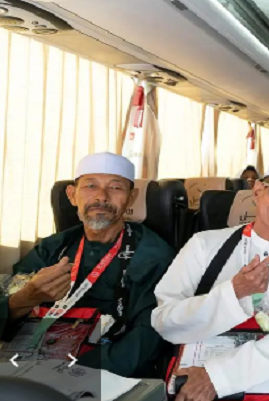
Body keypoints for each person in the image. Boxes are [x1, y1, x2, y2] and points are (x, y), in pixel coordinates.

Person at [151, 155, 269, 400]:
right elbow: (165, 321)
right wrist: (233, 293)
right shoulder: (203, 244)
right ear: (257, 190)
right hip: (194, 367)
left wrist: (215, 377)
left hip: (267, 376)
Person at [0, 152, 175, 377]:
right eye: (90, 186)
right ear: (72, 195)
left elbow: (143, 341)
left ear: (131, 198)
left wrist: (66, 373)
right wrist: (26, 298)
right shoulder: (52, 248)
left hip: (99, 372)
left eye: (115, 187)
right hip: (28, 362)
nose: (102, 197)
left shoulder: (153, 255)